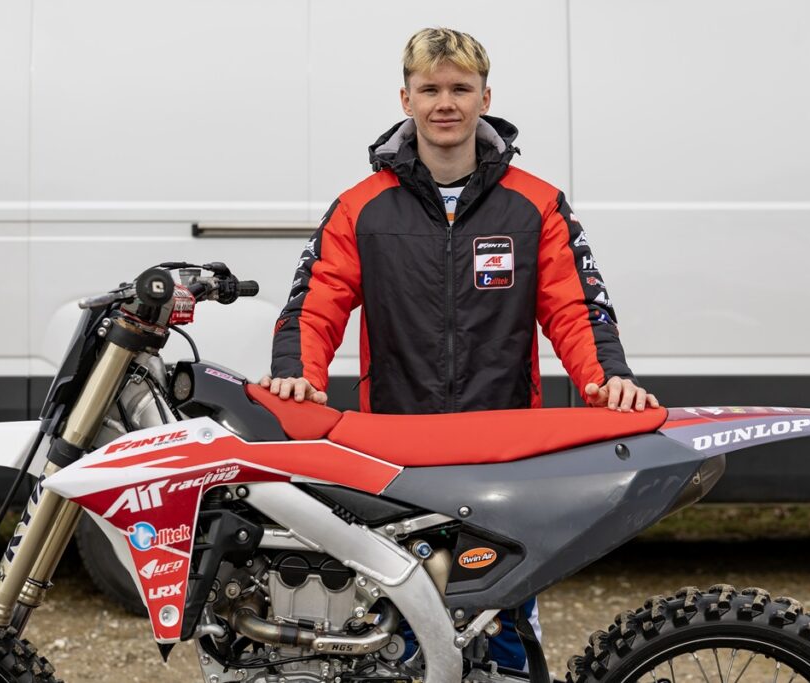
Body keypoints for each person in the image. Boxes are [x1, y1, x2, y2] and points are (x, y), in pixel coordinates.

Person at [260, 27, 657, 672]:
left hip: (504, 447)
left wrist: (608, 377)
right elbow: (314, 303)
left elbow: (576, 308)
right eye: (430, 90)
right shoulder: (361, 208)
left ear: (484, 98)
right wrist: (297, 374)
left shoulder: (536, 204)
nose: (445, 103)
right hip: (395, 448)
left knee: (501, 612)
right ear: (406, 99)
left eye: (460, 89)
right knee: (402, 616)